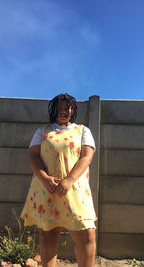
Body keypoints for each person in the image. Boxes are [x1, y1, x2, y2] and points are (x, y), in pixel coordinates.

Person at [21, 93, 97, 267]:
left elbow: (87, 156)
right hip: (47, 189)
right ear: (54, 110)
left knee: (87, 234)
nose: (64, 111)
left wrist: (69, 179)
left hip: (75, 190)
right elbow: (33, 156)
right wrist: (45, 178)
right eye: (61, 108)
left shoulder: (83, 130)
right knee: (48, 233)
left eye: (68, 108)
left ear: (73, 110)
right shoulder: (42, 131)